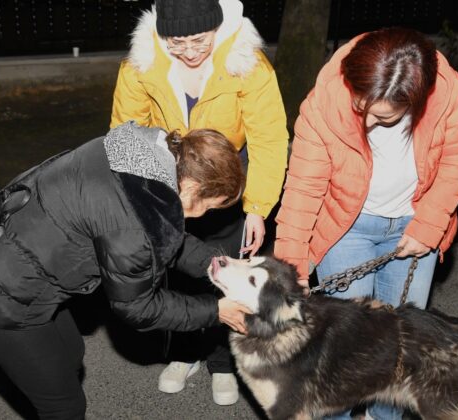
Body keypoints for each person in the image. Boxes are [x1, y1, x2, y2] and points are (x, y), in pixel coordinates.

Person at [0, 122, 251, 419]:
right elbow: (138, 306)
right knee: (64, 406)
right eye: (209, 206)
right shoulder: (134, 223)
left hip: (17, 260)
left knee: (69, 357)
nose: (204, 215)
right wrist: (216, 310)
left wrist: (218, 265)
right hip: (4, 297)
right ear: (192, 186)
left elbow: (166, 234)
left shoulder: (139, 157)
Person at [274, 27, 458, 420]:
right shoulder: (327, 99)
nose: (364, 119)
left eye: (380, 116)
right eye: (359, 104)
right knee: (346, 348)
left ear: (415, 100)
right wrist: (290, 266)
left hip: (413, 228)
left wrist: (429, 226)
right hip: (346, 228)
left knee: (398, 345)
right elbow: (303, 185)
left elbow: (455, 165)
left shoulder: (448, 96)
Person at [110, 0, 289, 405]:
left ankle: (222, 361)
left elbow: (269, 139)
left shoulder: (248, 65)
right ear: (161, 34)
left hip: (227, 173)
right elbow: (125, 132)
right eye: (177, 41)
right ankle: (183, 351)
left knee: (224, 264)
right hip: (168, 172)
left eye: (199, 39)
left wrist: (258, 207)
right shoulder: (141, 64)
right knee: (172, 261)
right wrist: (140, 198)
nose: (189, 51)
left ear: (217, 28)